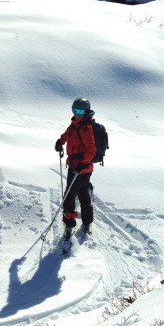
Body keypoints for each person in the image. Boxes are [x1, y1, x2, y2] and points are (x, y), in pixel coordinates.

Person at [54, 98, 97, 237]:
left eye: (79, 111)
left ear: (86, 112)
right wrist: (60, 141)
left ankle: (69, 224)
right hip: (78, 167)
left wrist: (83, 164)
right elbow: (67, 134)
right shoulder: (75, 123)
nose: (76, 113)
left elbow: (91, 149)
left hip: (80, 168)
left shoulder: (87, 127)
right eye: (74, 110)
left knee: (69, 195)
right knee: (83, 193)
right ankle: (86, 222)